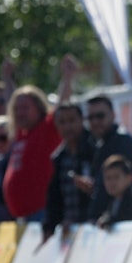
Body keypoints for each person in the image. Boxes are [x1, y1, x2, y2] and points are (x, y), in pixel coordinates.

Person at [2, 85, 63, 223]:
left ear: (39, 108)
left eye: (25, 108)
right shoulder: (21, 135)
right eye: (16, 109)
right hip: (22, 217)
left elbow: (61, 106)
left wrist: (67, 77)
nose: (19, 113)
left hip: (41, 214)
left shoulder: (47, 129)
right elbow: (10, 99)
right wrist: (7, 78)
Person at [83, 94, 132, 223]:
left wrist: (108, 218)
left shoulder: (122, 141)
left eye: (100, 116)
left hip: (127, 222)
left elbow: (125, 190)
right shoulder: (97, 144)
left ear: (113, 115)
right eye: (90, 118)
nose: (95, 122)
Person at [42, 102, 95, 241]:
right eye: (62, 122)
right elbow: (54, 198)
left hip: (93, 230)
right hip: (69, 234)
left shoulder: (95, 149)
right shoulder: (58, 158)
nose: (67, 127)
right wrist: (49, 227)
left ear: (82, 120)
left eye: (72, 120)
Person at [95, 155, 132, 229]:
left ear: (129, 178)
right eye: (108, 178)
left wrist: (111, 222)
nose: (112, 182)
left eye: (116, 177)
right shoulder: (110, 202)